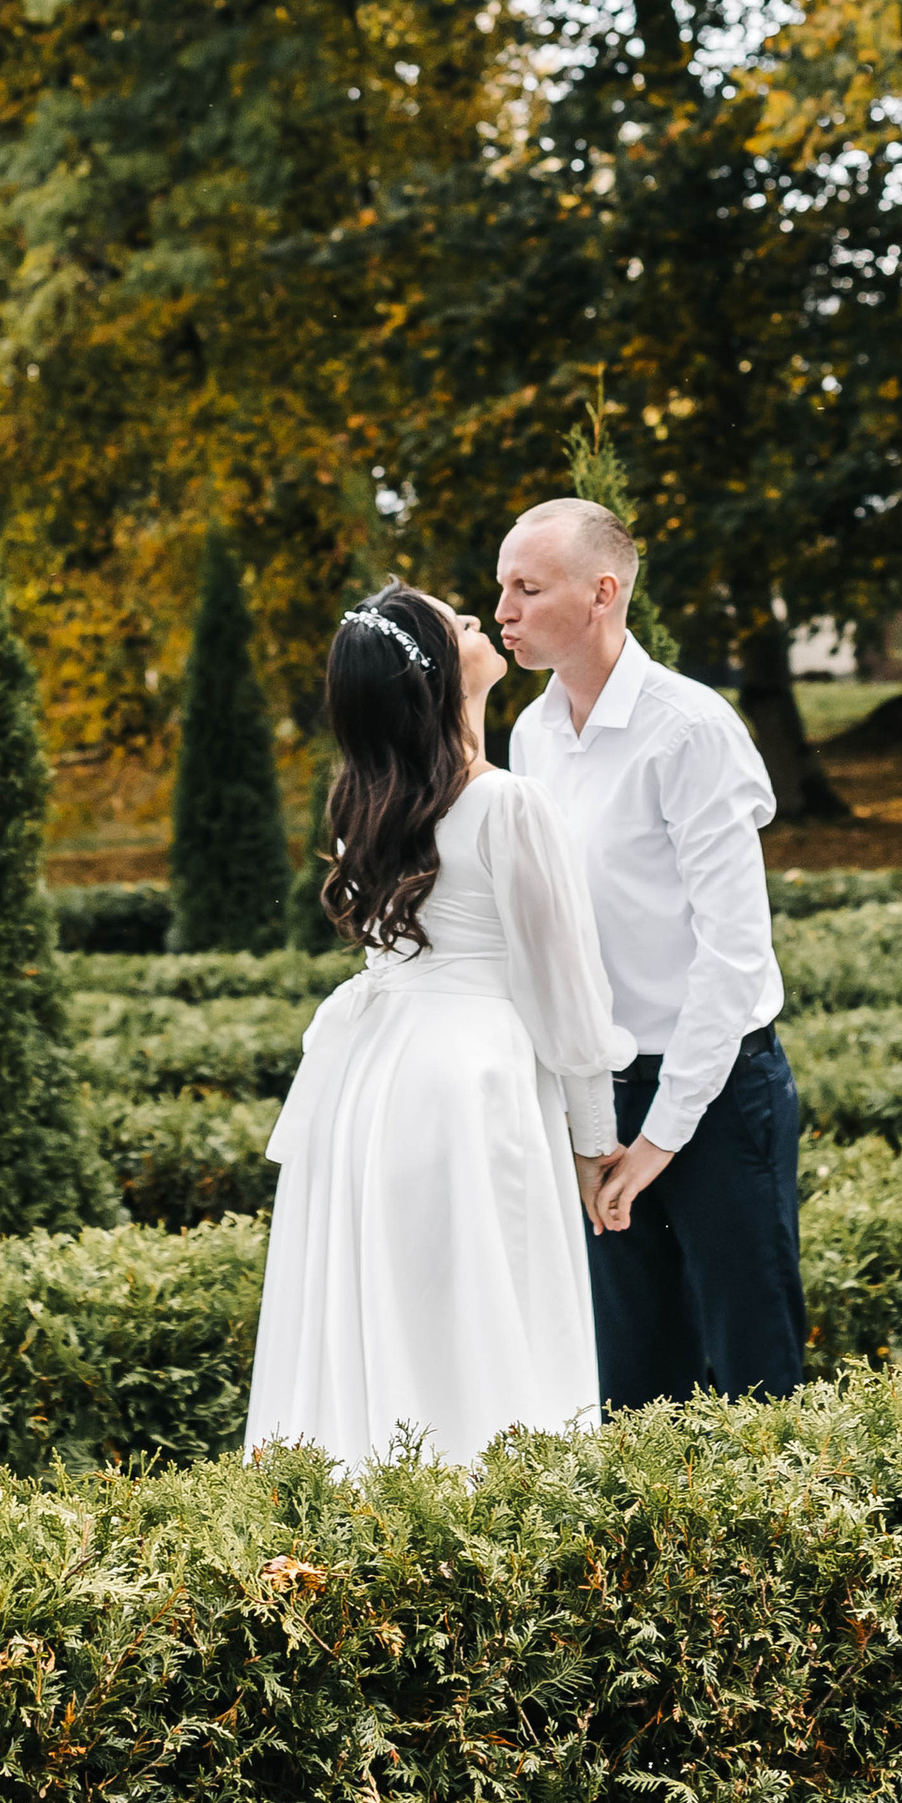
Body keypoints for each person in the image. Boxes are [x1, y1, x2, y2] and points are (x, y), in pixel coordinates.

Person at [244, 580, 631, 1471]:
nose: (480, 621)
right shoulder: (508, 804)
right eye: (458, 621)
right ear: (435, 676)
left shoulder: (365, 802)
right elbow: (565, 994)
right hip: (469, 1083)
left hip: (369, 1084)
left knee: (387, 1302)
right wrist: (594, 1138)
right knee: (493, 1302)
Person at [499, 496, 806, 1409]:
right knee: (631, 1387)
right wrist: (587, 1125)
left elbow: (735, 955)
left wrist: (661, 1137)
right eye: (501, 590)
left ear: (602, 593)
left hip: (716, 1102)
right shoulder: (530, 735)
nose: (505, 612)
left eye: (527, 588)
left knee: (757, 1386)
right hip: (599, 1101)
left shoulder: (691, 729)